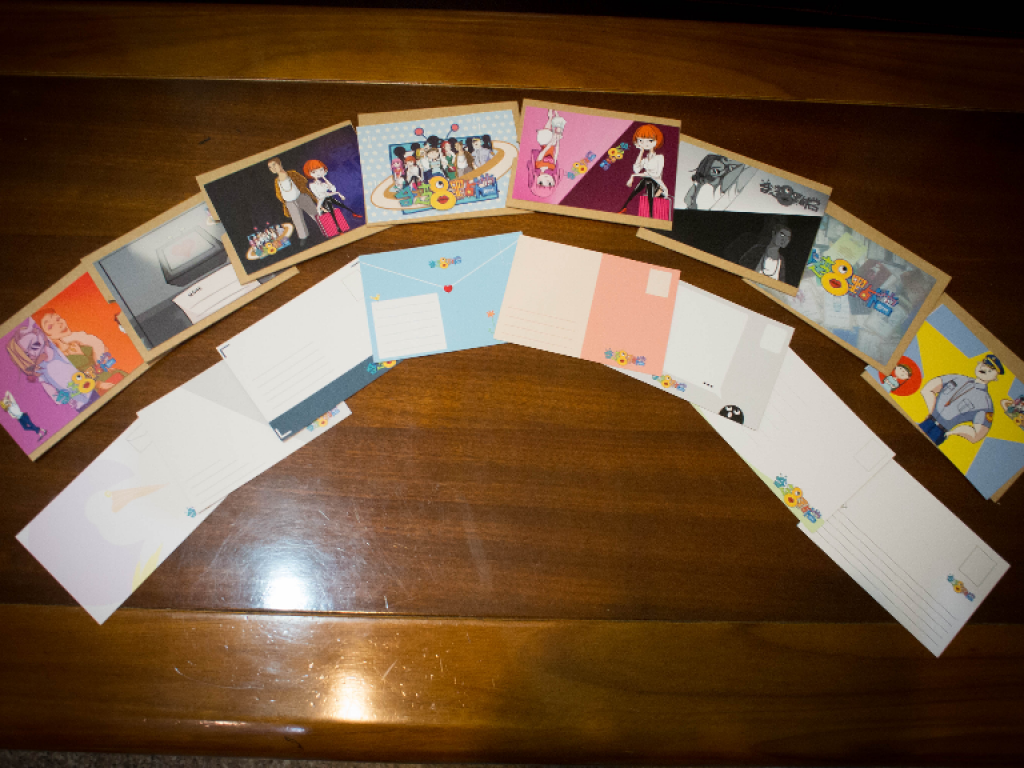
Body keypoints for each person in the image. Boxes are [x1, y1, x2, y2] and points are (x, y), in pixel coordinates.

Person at [918, 353, 1003, 446]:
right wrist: (931, 411)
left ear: (995, 377)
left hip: (939, 432)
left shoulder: (985, 403)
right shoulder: (958, 378)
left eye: (990, 370)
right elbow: (928, 388)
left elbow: (977, 435)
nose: (984, 369)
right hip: (926, 422)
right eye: (983, 364)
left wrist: (953, 432)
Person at [6, 322, 95, 410]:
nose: (32, 353)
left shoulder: (56, 347)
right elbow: (54, 395)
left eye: (33, 345)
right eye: (27, 354)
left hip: (92, 384)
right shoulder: (41, 371)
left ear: (40, 335)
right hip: (80, 402)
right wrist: (66, 399)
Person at [35, 307, 129, 391]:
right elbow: (72, 382)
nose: (59, 324)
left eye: (58, 319)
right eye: (50, 326)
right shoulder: (57, 359)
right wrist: (99, 384)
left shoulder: (77, 342)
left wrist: (104, 368)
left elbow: (94, 362)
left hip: (110, 375)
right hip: (95, 389)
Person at [619, 124, 668, 217]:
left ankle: (650, 214)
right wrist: (641, 152)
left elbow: (656, 174)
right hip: (649, 185)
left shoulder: (659, 157)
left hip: (659, 188)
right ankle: (625, 207)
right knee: (646, 180)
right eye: (641, 140)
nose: (645, 144)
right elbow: (636, 169)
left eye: (650, 140)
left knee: (648, 180)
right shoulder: (645, 160)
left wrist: (633, 176)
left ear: (656, 141)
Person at [302, 159, 363, 230]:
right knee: (333, 213)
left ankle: (353, 214)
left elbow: (333, 189)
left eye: (321, 170)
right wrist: (329, 194)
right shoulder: (312, 185)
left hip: (328, 197)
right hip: (323, 201)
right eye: (314, 172)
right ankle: (338, 229)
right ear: (309, 173)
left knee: (341, 205)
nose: (318, 173)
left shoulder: (323, 183)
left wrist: (325, 179)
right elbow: (319, 195)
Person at [268, 156, 319, 240]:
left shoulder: (292, 173)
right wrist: (285, 201)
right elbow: (278, 194)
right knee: (297, 222)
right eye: (270, 167)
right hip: (289, 203)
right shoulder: (276, 181)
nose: (273, 168)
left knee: (315, 214)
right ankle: (304, 238)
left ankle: (328, 228)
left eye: (274, 165)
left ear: (279, 163)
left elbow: (303, 181)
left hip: (301, 197)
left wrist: (302, 191)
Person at [683, 153, 757, 211]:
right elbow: (687, 199)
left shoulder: (720, 184)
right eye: (716, 171)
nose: (721, 173)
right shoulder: (703, 186)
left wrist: (728, 162)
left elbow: (741, 164)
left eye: (724, 169)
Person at [737, 217, 793, 283]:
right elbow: (741, 267)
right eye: (782, 235)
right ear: (774, 233)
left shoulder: (781, 260)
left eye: (788, 237)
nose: (784, 239)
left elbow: (781, 282)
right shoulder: (756, 249)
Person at [530, 109, 565, 198]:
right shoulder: (552, 167)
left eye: (541, 183)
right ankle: (557, 116)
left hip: (544, 143)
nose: (546, 180)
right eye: (549, 183)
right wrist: (557, 141)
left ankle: (550, 117)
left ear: (535, 180)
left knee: (547, 129)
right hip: (553, 145)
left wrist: (550, 144)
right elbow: (556, 154)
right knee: (557, 130)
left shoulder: (538, 166)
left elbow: (542, 153)